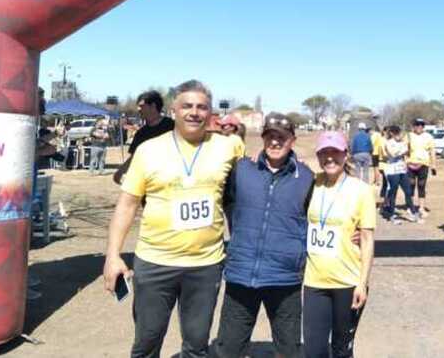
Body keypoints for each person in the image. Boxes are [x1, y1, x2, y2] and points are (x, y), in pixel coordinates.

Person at [103, 80, 236, 358]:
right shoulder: (148, 150)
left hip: (205, 265)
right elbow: (127, 204)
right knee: (147, 343)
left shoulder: (228, 148)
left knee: (197, 345)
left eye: (202, 107)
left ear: (210, 112)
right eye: (187, 105)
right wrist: (113, 255)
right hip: (155, 264)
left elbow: (239, 198)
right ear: (173, 109)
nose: (194, 112)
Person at [213, 113, 314, 358]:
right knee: (228, 348)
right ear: (263, 137)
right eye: (270, 136)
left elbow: (323, 217)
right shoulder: (241, 170)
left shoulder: (307, 177)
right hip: (242, 274)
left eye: (282, 137)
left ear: (293, 140)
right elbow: (220, 202)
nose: (275, 142)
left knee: (289, 349)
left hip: (285, 277)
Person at [303, 131, 375, 358]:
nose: (329, 158)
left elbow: (366, 239)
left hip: (348, 282)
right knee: (314, 350)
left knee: (342, 350)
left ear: (346, 155)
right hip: (314, 281)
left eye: (335, 152)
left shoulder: (361, 190)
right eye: (324, 153)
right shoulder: (311, 183)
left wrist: (362, 284)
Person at [113, 90, 174, 185]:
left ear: (153, 106)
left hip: (173, 181)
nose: (138, 109)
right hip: (149, 183)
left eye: (142, 106)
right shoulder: (141, 133)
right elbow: (135, 157)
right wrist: (121, 171)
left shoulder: (173, 127)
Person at [382, 125, 420, 224]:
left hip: (402, 169)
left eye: (400, 134)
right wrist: (401, 151)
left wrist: (402, 151)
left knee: (408, 191)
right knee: (393, 192)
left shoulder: (402, 143)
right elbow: (392, 154)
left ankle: (412, 212)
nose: (399, 136)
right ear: (392, 134)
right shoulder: (388, 143)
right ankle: (391, 214)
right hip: (392, 170)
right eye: (397, 134)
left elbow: (407, 151)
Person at [407, 118, 436, 218]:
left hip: (423, 164)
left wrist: (434, 164)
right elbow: (405, 149)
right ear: (413, 126)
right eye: (417, 125)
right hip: (411, 163)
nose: (419, 127)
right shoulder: (409, 136)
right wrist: (405, 161)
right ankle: (410, 207)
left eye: (421, 125)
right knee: (410, 184)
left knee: (421, 185)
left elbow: (432, 151)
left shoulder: (428, 137)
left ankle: (421, 207)